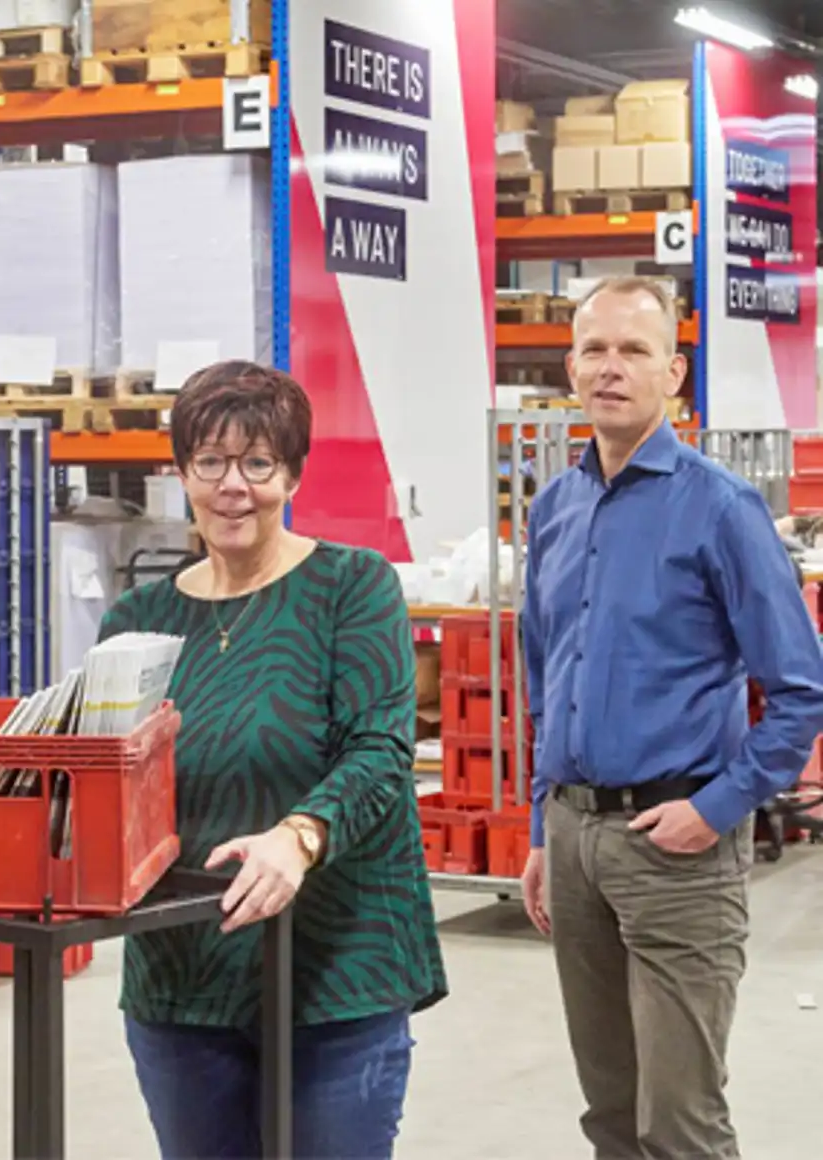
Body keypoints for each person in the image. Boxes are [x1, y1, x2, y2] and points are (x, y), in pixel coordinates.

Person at [96, 361, 446, 1159]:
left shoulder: (350, 588)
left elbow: (381, 749)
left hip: (337, 968)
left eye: (258, 464)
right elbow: (113, 776)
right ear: (180, 470)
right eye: (210, 462)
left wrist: (298, 836)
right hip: (182, 973)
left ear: (290, 473)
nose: (233, 487)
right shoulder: (139, 616)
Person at [519, 275, 823, 1159]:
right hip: (574, 839)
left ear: (674, 373)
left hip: (675, 848)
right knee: (610, 1116)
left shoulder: (720, 508)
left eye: (634, 351)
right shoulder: (555, 509)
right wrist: (545, 823)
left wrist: (719, 808)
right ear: (571, 365)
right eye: (594, 350)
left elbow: (800, 687)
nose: (610, 368)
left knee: (681, 1123)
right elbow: (546, 675)